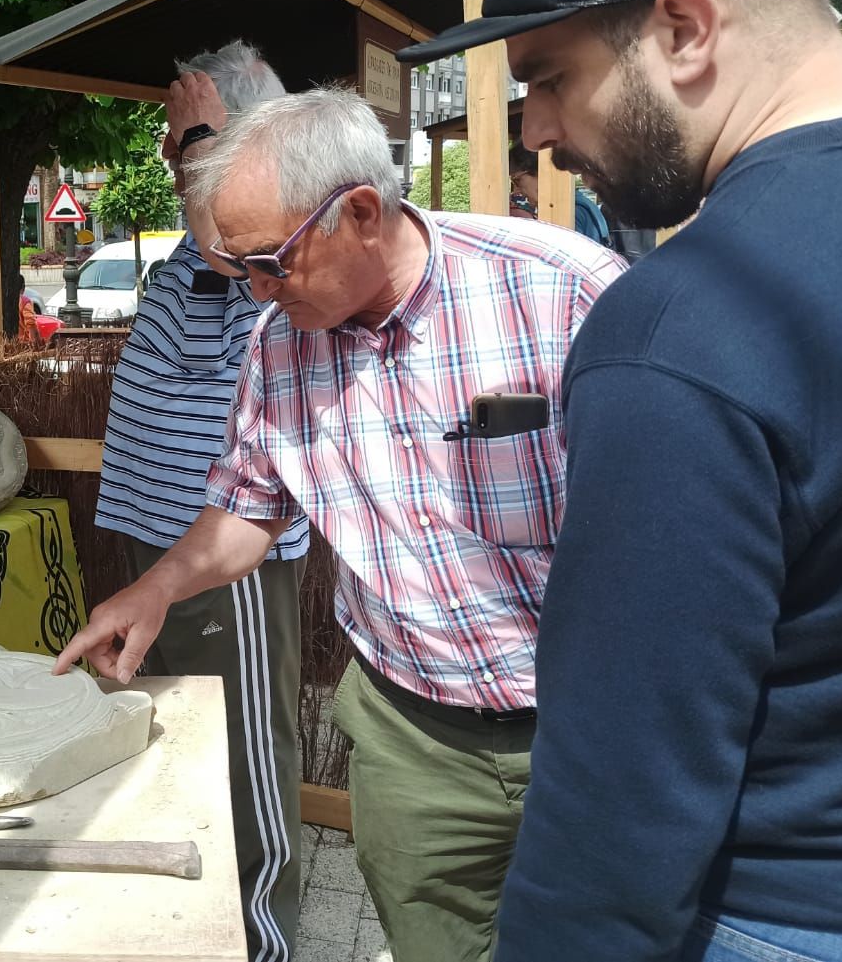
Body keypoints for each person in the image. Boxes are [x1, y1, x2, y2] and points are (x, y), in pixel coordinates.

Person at [399, 0, 842, 961]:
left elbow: (620, 796)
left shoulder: (683, 331)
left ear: (682, 27)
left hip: (784, 914)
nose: (536, 137)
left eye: (547, 77)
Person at [59, 85, 625, 961]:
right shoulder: (277, 342)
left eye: (269, 264)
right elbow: (249, 506)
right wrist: (155, 588)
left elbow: (670, 530)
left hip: (589, 725)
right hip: (409, 742)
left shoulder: (560, 293)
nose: (253, 289)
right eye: (238, 266)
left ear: (361, 211)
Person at [93, 40, 310, 962]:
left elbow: (231, 240)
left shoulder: (264, 256)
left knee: (247, 754)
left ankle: (264, 943)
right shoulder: (190, 258)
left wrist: (205, 156)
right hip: (151, 543)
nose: (178, 159)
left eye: (197, 142)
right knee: (169, 741)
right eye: (176, 143)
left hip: (232, 558)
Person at [508, 146, 610, 245]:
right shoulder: (579, 204)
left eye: (517, 180)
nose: (516, 191)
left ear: (540, 172)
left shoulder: (568, 212)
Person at [16, 274, 41, 344]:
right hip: (23, 345)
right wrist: (37, 344)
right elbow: (31, 324)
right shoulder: (24, 301)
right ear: (23, 287)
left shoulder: (4, 301)